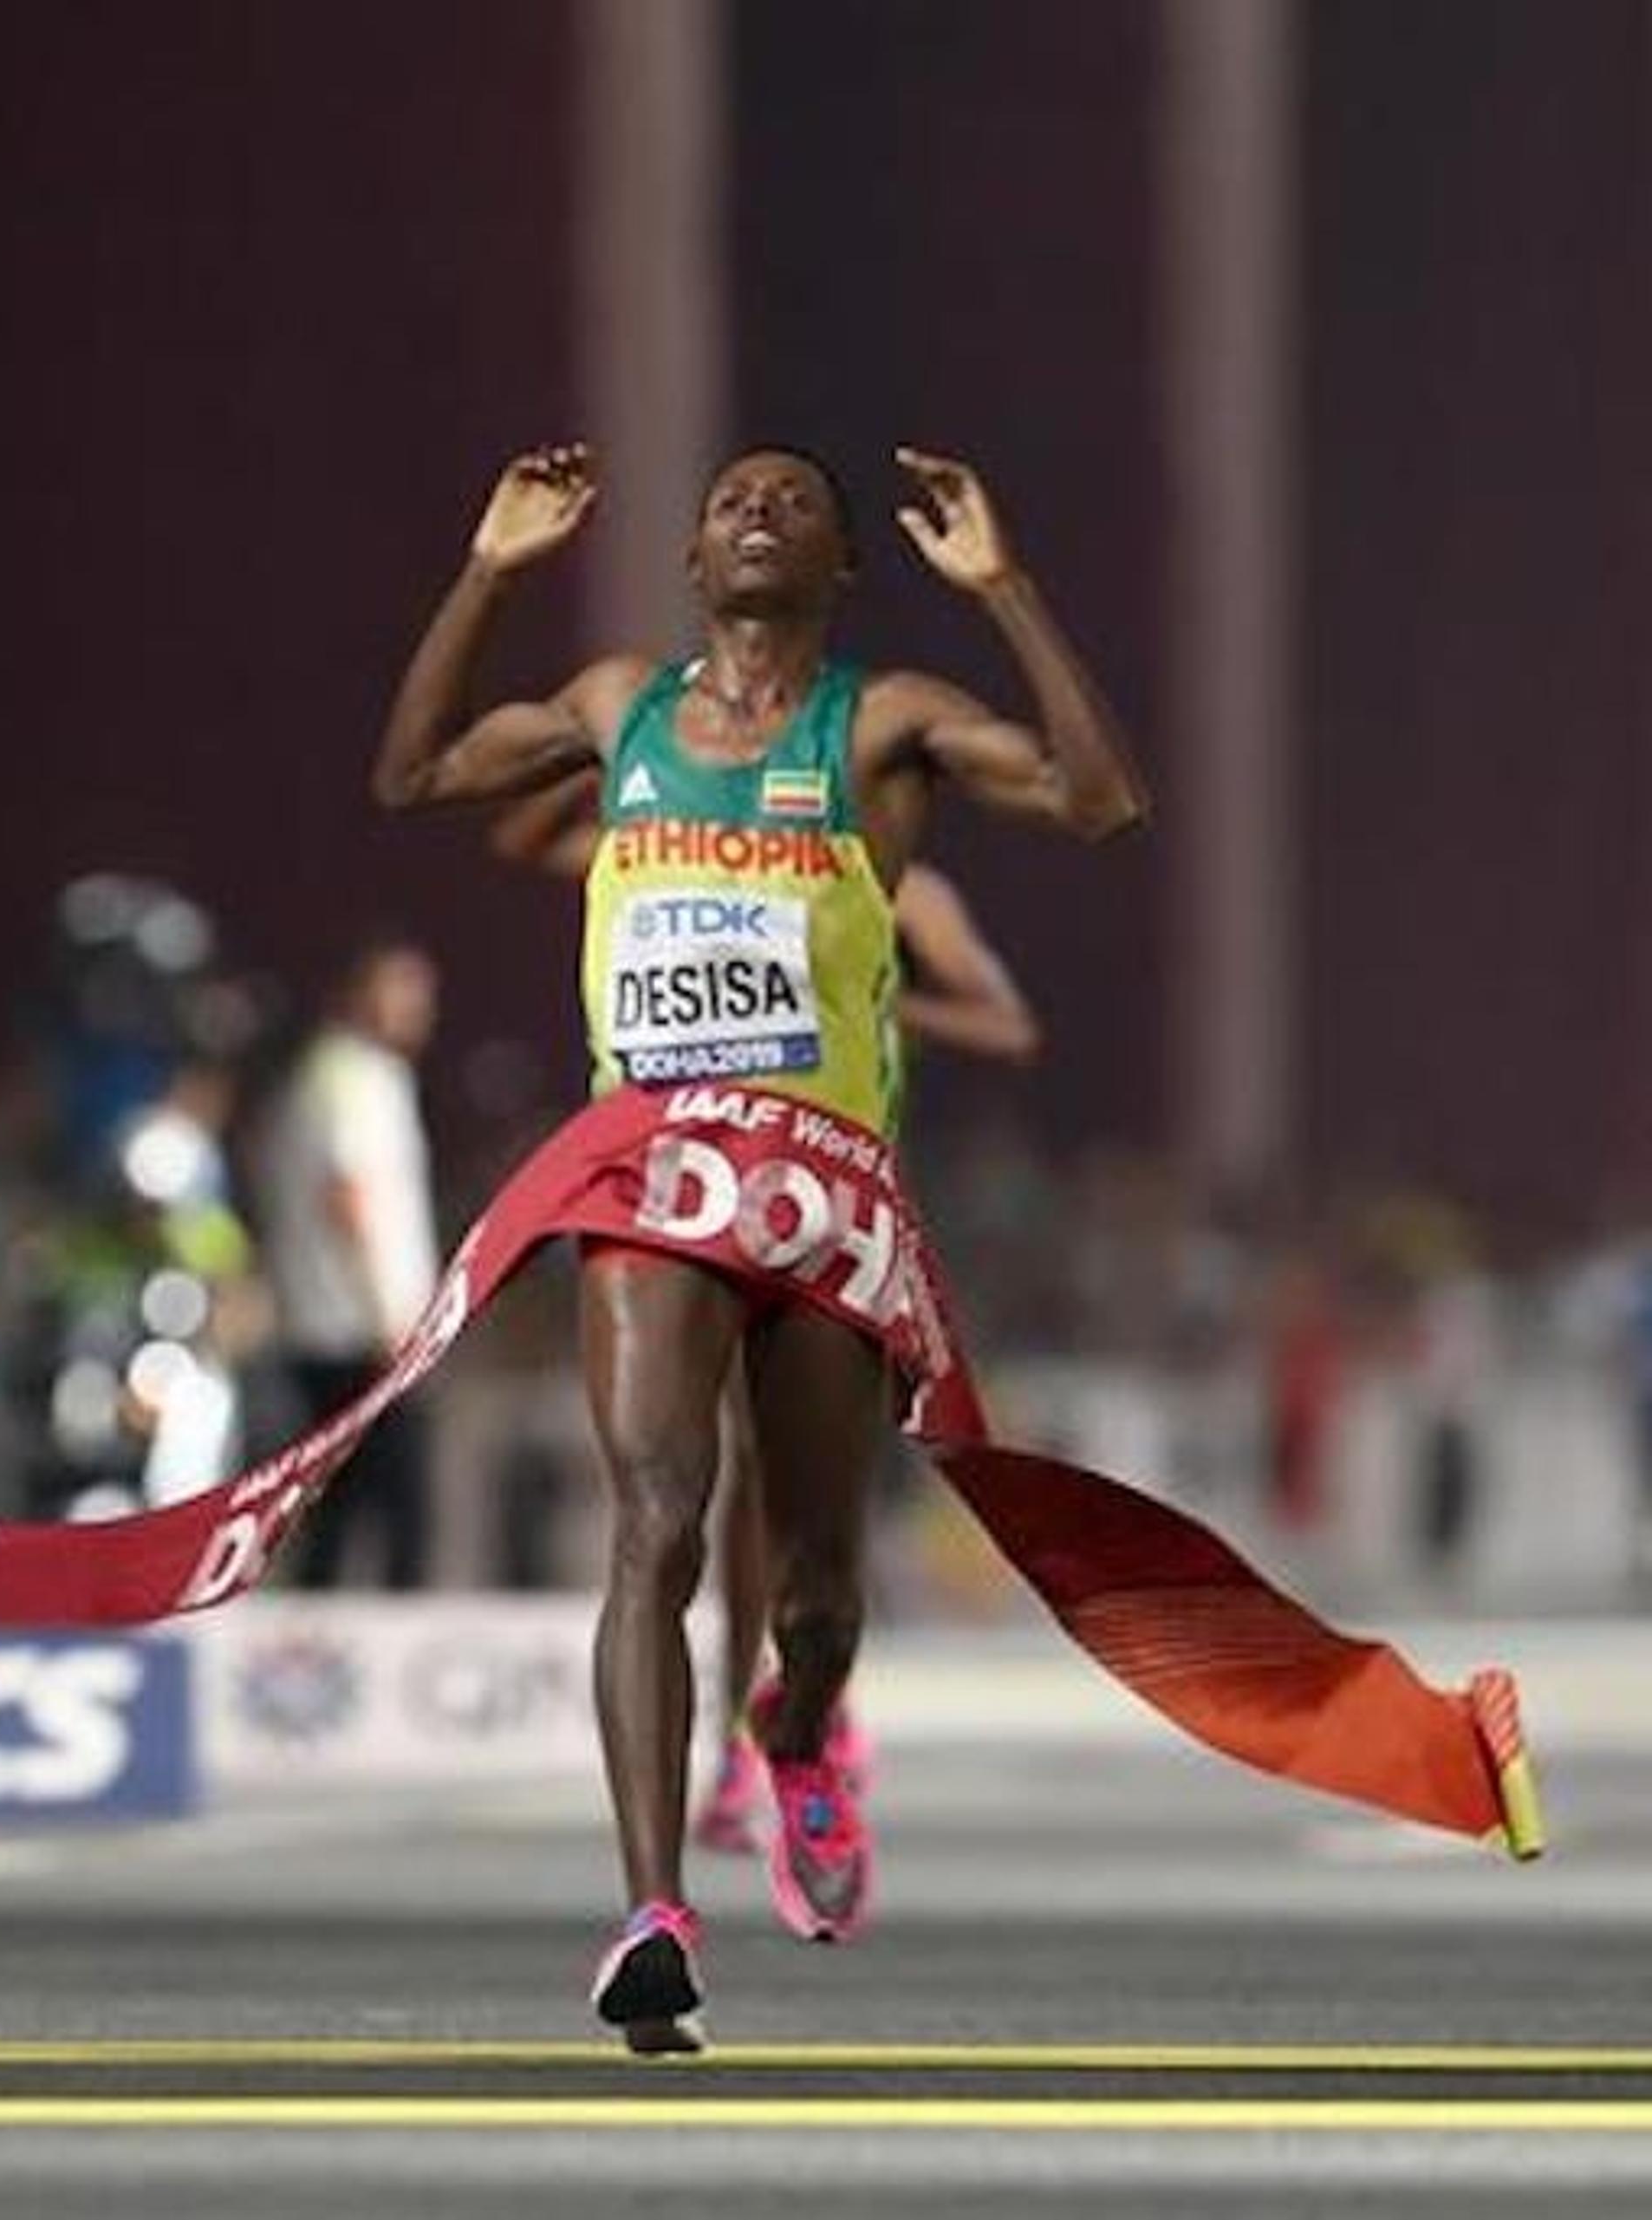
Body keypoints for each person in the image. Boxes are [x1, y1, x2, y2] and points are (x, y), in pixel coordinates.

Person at [373, 439, 1144, 2050]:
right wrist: (489, 566)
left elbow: (1098, 796)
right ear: (688, 562)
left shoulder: (884, 725)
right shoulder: (614, 711)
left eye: (792, 501)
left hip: (822, 1196)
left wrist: (1006, 590)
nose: (754, 511)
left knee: (815, 1585)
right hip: (652, 1178)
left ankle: (799, 1735)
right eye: (729, 498)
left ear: (843, 566)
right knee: (657, 1514)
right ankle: (653, 1910)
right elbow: (417, 775)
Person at [485, 785, 1040, 1851]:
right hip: (703, 1203)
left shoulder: (905, 889)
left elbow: (1008, 1024)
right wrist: (616, 754)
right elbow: (518, 829)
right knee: (722, 1481)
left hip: (834, 1210)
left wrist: (871, 994)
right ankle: (749, 1738)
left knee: (805, 1502)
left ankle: (800, 1707)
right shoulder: (693, 854)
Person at [256, 940, 445, 1586]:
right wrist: (391, 1317)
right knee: (405, 1511)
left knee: (337, 1510)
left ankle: (322, 1652)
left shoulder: (319, 1075)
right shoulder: (358, 1077)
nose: (418, 1008)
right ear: (360, 995)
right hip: (359, 1333)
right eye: (402, 990)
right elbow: (349, 1195)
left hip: (325, 1326)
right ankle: (401, 1664)